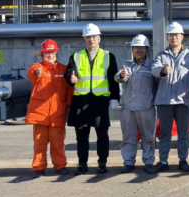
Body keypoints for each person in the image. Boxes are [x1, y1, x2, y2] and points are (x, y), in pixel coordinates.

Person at [65, 23, 120, 175]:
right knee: (81, 136)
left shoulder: (108, 56)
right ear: (84, 40)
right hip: (81, 101)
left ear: (99, 39)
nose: (91, 40)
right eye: (88, 37)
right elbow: (69, 72)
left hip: (100, 101)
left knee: (102, 135)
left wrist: (115, 98)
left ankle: (102, 163)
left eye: (94, 37)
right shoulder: (76, 56)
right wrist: (71, 78)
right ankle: (82, 163)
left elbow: (113, 79)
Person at [150, 22, 189, 173]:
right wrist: (163, 70)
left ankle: (183, 160)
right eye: (171, 35)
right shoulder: (161, 55)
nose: (174, 37)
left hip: (182, 100)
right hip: (164, 101)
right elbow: (154, 70)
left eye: (176, 35)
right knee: (164, 133)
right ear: (167, 37)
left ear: (182, 36)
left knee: (183, 133)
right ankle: (163, 161)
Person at [26, 39, 72, 176]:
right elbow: (31, 75)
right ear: (42, 54)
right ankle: (39, 167)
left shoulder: (64, 69)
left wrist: (69, 106)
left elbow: (69, 90)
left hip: (57, 113)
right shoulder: (36, 67)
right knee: (39, 143)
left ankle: (60, 166)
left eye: (52, 53)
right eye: (47, 53)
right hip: (40, 114)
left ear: (56, 53)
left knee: (58, 143)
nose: (50, 55)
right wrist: (37, 73)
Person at [115, 34, 159, 174]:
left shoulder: (153, 66)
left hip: (147, 108)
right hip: (128, 108)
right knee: (128, 137)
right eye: (136, 48)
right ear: (132, 49)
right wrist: (122, 76)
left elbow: (158, 84)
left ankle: (148, 161)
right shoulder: (127, 66)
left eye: (142, 48)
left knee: (148, 137)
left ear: (147, 49)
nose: (139, 50)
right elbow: (118, 77)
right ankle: (128, 162)